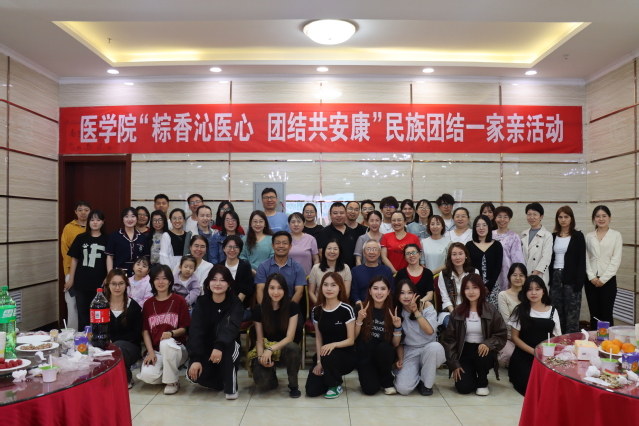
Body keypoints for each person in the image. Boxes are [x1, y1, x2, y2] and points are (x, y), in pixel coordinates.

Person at [442, 274, 507, 396]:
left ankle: (482, 381)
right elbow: (449, 340)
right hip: (464, 351)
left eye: (475, 287)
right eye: (467, 288)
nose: (471, 292)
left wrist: (488, 344)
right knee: (463, 388)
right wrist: (454, 364)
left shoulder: (491, 310)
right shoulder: (457, 312)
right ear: (463, 291)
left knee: (481, 353)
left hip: (483, 351)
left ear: (481, 289)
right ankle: (471, 374)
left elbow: (501, 333)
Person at [187, 265, 244, 400]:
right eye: (214, 279)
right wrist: (196, 359)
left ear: (229, 284)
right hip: (207, 349)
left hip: (227, 346)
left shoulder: (235, 303)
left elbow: (230, 328)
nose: (218, 283)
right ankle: (219, 381)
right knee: (194, 375)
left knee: (229, 347)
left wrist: (219, 346)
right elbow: (196, 331)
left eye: (222, 280)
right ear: (208, 283)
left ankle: (231, 388)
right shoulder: (201, 302)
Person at [137, 264, 191, 395]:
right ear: (152, 281)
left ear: (170, 281)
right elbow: (145, 331)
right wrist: (150, 352)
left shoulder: (179, 301)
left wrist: (171, 333)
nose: (161, 282)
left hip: (176, 348)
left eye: (164, 278)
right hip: (157, 351)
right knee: (147, 376)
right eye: (157, 278)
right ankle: (170, 374)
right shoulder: (148, 304)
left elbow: (185, 328)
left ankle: (172, 382)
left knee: (166, 343)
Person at [305, 272, 356, 399]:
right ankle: (329, 377)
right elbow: (318, 338)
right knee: (311, 391)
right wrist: (319, 362)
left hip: (345, 356)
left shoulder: (347, 309)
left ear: (340, 288)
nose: (329, 288)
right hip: (324, 355)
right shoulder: (316, 310)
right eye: (325, 285)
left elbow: (351, 340)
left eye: (333, 285)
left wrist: (333, 345)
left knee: (328, 354)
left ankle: (335, 384)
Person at [508, 275, 561, 396]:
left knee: (551, 385)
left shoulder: (552, 311)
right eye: (529, 289)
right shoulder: (520, 310)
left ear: (543, 291)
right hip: (524, 355)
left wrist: (549, 354)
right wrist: (534, 352)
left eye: (537, 289)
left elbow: (557, 337)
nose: (533, 293)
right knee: (530, 385)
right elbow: (515, 337)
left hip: (546, 355)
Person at [251, 273, 302, 398]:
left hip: (283, 349)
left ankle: (293, 385)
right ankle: (271, 375)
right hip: (266, 349)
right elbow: (259, 340)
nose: (276, 292)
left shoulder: (292, 306)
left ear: (285, 290)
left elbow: (290, 338)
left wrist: (270, 349)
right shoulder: (259, 309)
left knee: (293, 348)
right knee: (263, 383)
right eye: (272, 288)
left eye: (280, 288)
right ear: (267, 290)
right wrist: (261, 357)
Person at [394, 279, 446, 396]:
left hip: (429, 348)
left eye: (410, 292)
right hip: (410, 350)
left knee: (435, 347)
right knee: (403, 389)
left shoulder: (426, 305)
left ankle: (425, 384)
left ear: (415, 294)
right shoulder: (397, 311)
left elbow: (429, 331)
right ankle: (417, 375)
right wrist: (400, 358)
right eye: (402, 293)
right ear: (397, 295)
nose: (406, 296)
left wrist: (416, 311)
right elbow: (399, 342)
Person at [354, 276, 401, 395]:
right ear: (370, 291)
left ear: (388, 291)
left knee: (384, 348)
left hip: (384, 355)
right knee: (370, 390)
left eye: (383, 289)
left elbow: (395, 343)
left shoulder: (394, 311)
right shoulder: (360, 308)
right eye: (375, 288)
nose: (379, 292)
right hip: (365, 356)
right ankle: (375, 375)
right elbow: (353, 337)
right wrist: (359, 320)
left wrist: (397, 327)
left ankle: (387, 380)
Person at [66, 209, 109, 330]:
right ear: (88, 221)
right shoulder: (81, 238)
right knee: (83, 314)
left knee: (99, 313)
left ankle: (99, 337)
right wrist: (71, 279)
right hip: (82, 282)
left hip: (100, 283)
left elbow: (109, 260)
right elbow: (74, 259)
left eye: (98, 220)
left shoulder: (108, 239)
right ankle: (84, 338)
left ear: (103, 222)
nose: (95, 222)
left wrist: (108, 278)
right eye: (92, 220)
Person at [103, 268, 143, 388]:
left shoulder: (134, 306)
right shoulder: (101, 305)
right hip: (106, 344)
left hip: (130, 347)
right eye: (114, 284)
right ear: (108, 285)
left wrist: (114, 342)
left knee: (119, 347)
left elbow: (136, 334)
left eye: (121, 283)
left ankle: (126, 379)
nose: (117, 287)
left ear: (126, 285)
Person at [585, 205, 623, 330]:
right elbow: (585, 258)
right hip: (591, 280)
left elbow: (616, 259)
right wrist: (591, 277)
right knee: (594, 314)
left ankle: (607, 341)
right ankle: (594, 340)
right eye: (598, 216)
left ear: (609, 218)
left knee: (606, 314)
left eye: (604, 216)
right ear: (594, 219)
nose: (601, 219)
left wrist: (603, 279)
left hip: (608, 280)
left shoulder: (616, 235)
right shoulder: (589, 236)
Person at [549, 206, 586, 333]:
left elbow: (582, 261)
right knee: (556, 313)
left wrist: (579, 283)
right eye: (560, 217)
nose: (563, 220)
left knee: (572, 315)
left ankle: (571, 342)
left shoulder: (578, 236)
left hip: (572, 278)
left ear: (571, 219)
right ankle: (558, 340)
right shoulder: (552, 236)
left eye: (566, 217)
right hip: (555, 277)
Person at [60, 200, 91, 330]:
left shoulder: (94, 226)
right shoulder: (69, 227)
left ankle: (89, 332)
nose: (83, 213)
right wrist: (70, 274)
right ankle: (71, 333)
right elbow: (65, 251)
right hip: (71, 272)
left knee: (88, 303)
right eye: (80, 210)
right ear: (75, 212)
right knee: (72, 303)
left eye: (86, 210)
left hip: (89, 272)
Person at [254, 231, 307, 305]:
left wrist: (288, 309)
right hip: (268, 305)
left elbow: (299, 292)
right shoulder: (263, 266)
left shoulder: (297, 267)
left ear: (290, 246)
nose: (281, 246)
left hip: (289, 305)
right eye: (278, 243)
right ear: (273, 246)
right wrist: (264, 309)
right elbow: (260, 290)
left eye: (285, 243)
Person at [438, 243, 479, 328]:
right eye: (454, 254)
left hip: (470, 310)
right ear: (450, 257)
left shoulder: (474, 272)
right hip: (449, 311)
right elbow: (445, 298)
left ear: (466, 256)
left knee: (472, 325)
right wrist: (454, 314)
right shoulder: (444, 274)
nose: (458, 257)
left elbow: (476, 295)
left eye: (460, 254)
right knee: (453, 325)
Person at [466, 215, 503, 307]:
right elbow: (468, 266)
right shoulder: (469, 245)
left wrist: (489, 286)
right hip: (474, 286)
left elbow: (498, 267)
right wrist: (476, 285)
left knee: (492, 312)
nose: (481, 228)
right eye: (478, 225)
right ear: (474, 228)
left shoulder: (497, 245)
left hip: (492, 286)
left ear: (489, 226)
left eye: (484, 225)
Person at [216, 235, 255, 319]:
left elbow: (246, 290)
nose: (232, 250)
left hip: (240, 307)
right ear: (224, 248)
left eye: (236, 247)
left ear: (240, 249)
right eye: (229, 247)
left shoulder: (245, 266)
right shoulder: (218, 266)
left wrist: (232, 308)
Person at [497, 263, 527, 366]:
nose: (518, 278)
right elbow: (507, 320)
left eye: (521, 275)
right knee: (512, 355)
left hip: (527, 336)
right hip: (510, 336)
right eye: (514, 275)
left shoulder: (529, 295)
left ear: (525, 278)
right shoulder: (503, 295)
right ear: (509, 276)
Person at [106, 207, 148, 276]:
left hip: (138, 275)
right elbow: (110, 257)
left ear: (136, 218)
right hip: (119, 274)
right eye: (126, 216)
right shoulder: (114, 236)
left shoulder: (142, 237)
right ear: (122, 219)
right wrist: (110, 275)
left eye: (133, 216)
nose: (130, 219)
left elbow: (145, 258)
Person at [309, 239, 352, 305]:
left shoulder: (345, 268)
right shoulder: (316, 268)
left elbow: (347, 293)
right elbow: (311, 292)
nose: (332, 251)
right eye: (329, 248)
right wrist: (320, 305)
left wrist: (336, 306)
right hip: (320, 305)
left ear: (340, 252)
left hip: (339, 305)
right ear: (324, 251)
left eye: (335, 249)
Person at [351, 240, 394, 306]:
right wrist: (360, 305)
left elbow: (391, 291)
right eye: (368, 249)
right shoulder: (355, 270)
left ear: (379, 253)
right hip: (362, 306)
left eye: (374, 249)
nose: (371, 252)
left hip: (383, 306)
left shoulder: (386, 270)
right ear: (363, 253)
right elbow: (354, 293)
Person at [492, 206, 525, 291]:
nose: (502, 219)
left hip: (507, 273)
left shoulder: (514, 236)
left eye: (505, 217)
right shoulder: (490, 235)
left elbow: (517, 259)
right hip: (491, 272)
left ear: (509, 219)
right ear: (495, 218)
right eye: (499, 216)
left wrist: (517, 277)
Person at [317, 202, 359, 268]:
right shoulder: (324, 232)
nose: (339, 215)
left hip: (351, 271)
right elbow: (321, 254)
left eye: (341, 213)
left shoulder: (353, 232)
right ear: (330, 215)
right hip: (331, 271)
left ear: (346, 214)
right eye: (335, 213)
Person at [520, 203, 553, 285]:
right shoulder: (523, 234)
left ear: (541, 217)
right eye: (529, 214)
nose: (531, 217)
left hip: (539, 276)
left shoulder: (547, 235)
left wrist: (533, 275)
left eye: (535, 214)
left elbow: (546, 258)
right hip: (524, 276)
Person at [240, 210, 274, 276]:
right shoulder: (244, 239)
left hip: (267, 275)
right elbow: (242, 257)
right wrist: (252, 271)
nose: (258, 224)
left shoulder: (271, 239)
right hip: (248, 274)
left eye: (261, 221)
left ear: (265, 224)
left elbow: (273, 258)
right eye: (255, 221)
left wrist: (261, 273)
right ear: (250, 224)